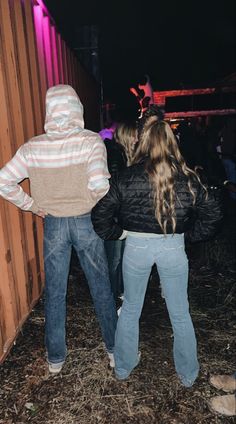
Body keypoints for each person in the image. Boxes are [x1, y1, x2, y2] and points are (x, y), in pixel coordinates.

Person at [91, 118, 223, 385]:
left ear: (144, 142)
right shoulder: (188, 177)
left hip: (137, 248)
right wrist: (189, 235)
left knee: (130, 308)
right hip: (172, 248)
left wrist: (119, 233)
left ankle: (124, 367)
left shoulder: (125, 177)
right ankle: (187, 374)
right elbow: (214, 212)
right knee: (180, 311)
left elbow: (100, 214)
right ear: (172, 143)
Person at [0, 84, 117, 374]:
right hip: (85, 221)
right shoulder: (90, 141)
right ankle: (115, 350)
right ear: (78, 110)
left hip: (52, 222)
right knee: (101, 286)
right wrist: (91, 203)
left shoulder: (32, 147)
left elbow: (4, 180)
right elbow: (100, 186)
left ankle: (55, 359)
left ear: (49, 112)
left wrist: (30, 205)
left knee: (54, 291)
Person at [103, 122, 137, 302]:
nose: (137, 138)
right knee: (114, 258)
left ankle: (121, 291)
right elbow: (114, 188)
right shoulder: (115, 155)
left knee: (125, 256)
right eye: (133, 135)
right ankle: (111, 294)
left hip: (124, 214)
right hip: (115, 215)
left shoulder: (131, 155)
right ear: (125, 136)